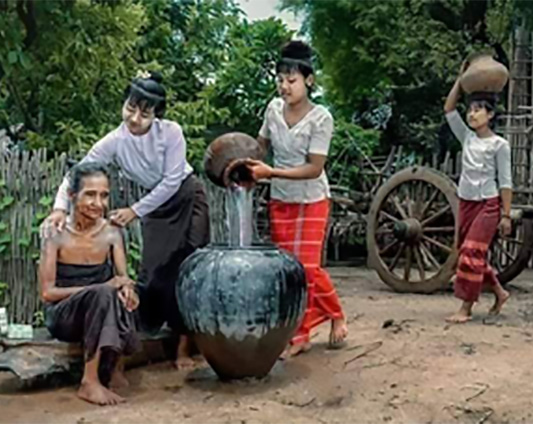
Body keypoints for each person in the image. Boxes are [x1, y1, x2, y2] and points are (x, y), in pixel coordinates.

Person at [40, 71, 209, 369]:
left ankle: (186, 347)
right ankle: (145, 337)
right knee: (154, 272)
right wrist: (59, 208)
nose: (134, 118)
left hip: (186, 196)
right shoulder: (115, 141)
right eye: (131, 108)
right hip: (154, 206)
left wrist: (134, 211)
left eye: (144, 113)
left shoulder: (171, 132)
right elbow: (78, 171)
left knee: (189, 266)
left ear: (156, 114)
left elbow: (171, 181)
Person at [246, 40, 348, 357]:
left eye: (292, 80)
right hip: (282, 200)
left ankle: (301, 335)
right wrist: (243, 163)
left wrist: (271, 173)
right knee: (288, 270)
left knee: (305, 268)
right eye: (280, 79)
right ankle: (335, 314)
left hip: (311, 199)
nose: (284, 86)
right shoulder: (273, 110)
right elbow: (259, 147)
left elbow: (314, 168)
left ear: (309, 81)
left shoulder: (321, 118)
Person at [39, 163, 140, 406]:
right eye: (90, 195)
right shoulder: (55, 234)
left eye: (104, 195)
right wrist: (100, 289)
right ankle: (90, 381)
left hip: (101, 313)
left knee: (125, 295)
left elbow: (123, 279)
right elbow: (47, 293)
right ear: (72, 197)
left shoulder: (112, 234)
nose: (98, 203)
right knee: (105, 292)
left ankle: (115, 367)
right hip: (65, 316)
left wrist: (128, 290)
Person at [443, 62, 513, 323]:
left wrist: (506, 216)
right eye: (470, 110)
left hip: (488, 204)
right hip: (467, 201)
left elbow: (506, 181)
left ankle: (466, 308)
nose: (472, 115)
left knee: (472, 252)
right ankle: (499, 291)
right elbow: (449, 109)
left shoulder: (500, 145)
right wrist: (460, 80)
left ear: (491, 115)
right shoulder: (467, 138)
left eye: (478, 110)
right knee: (468, 251)